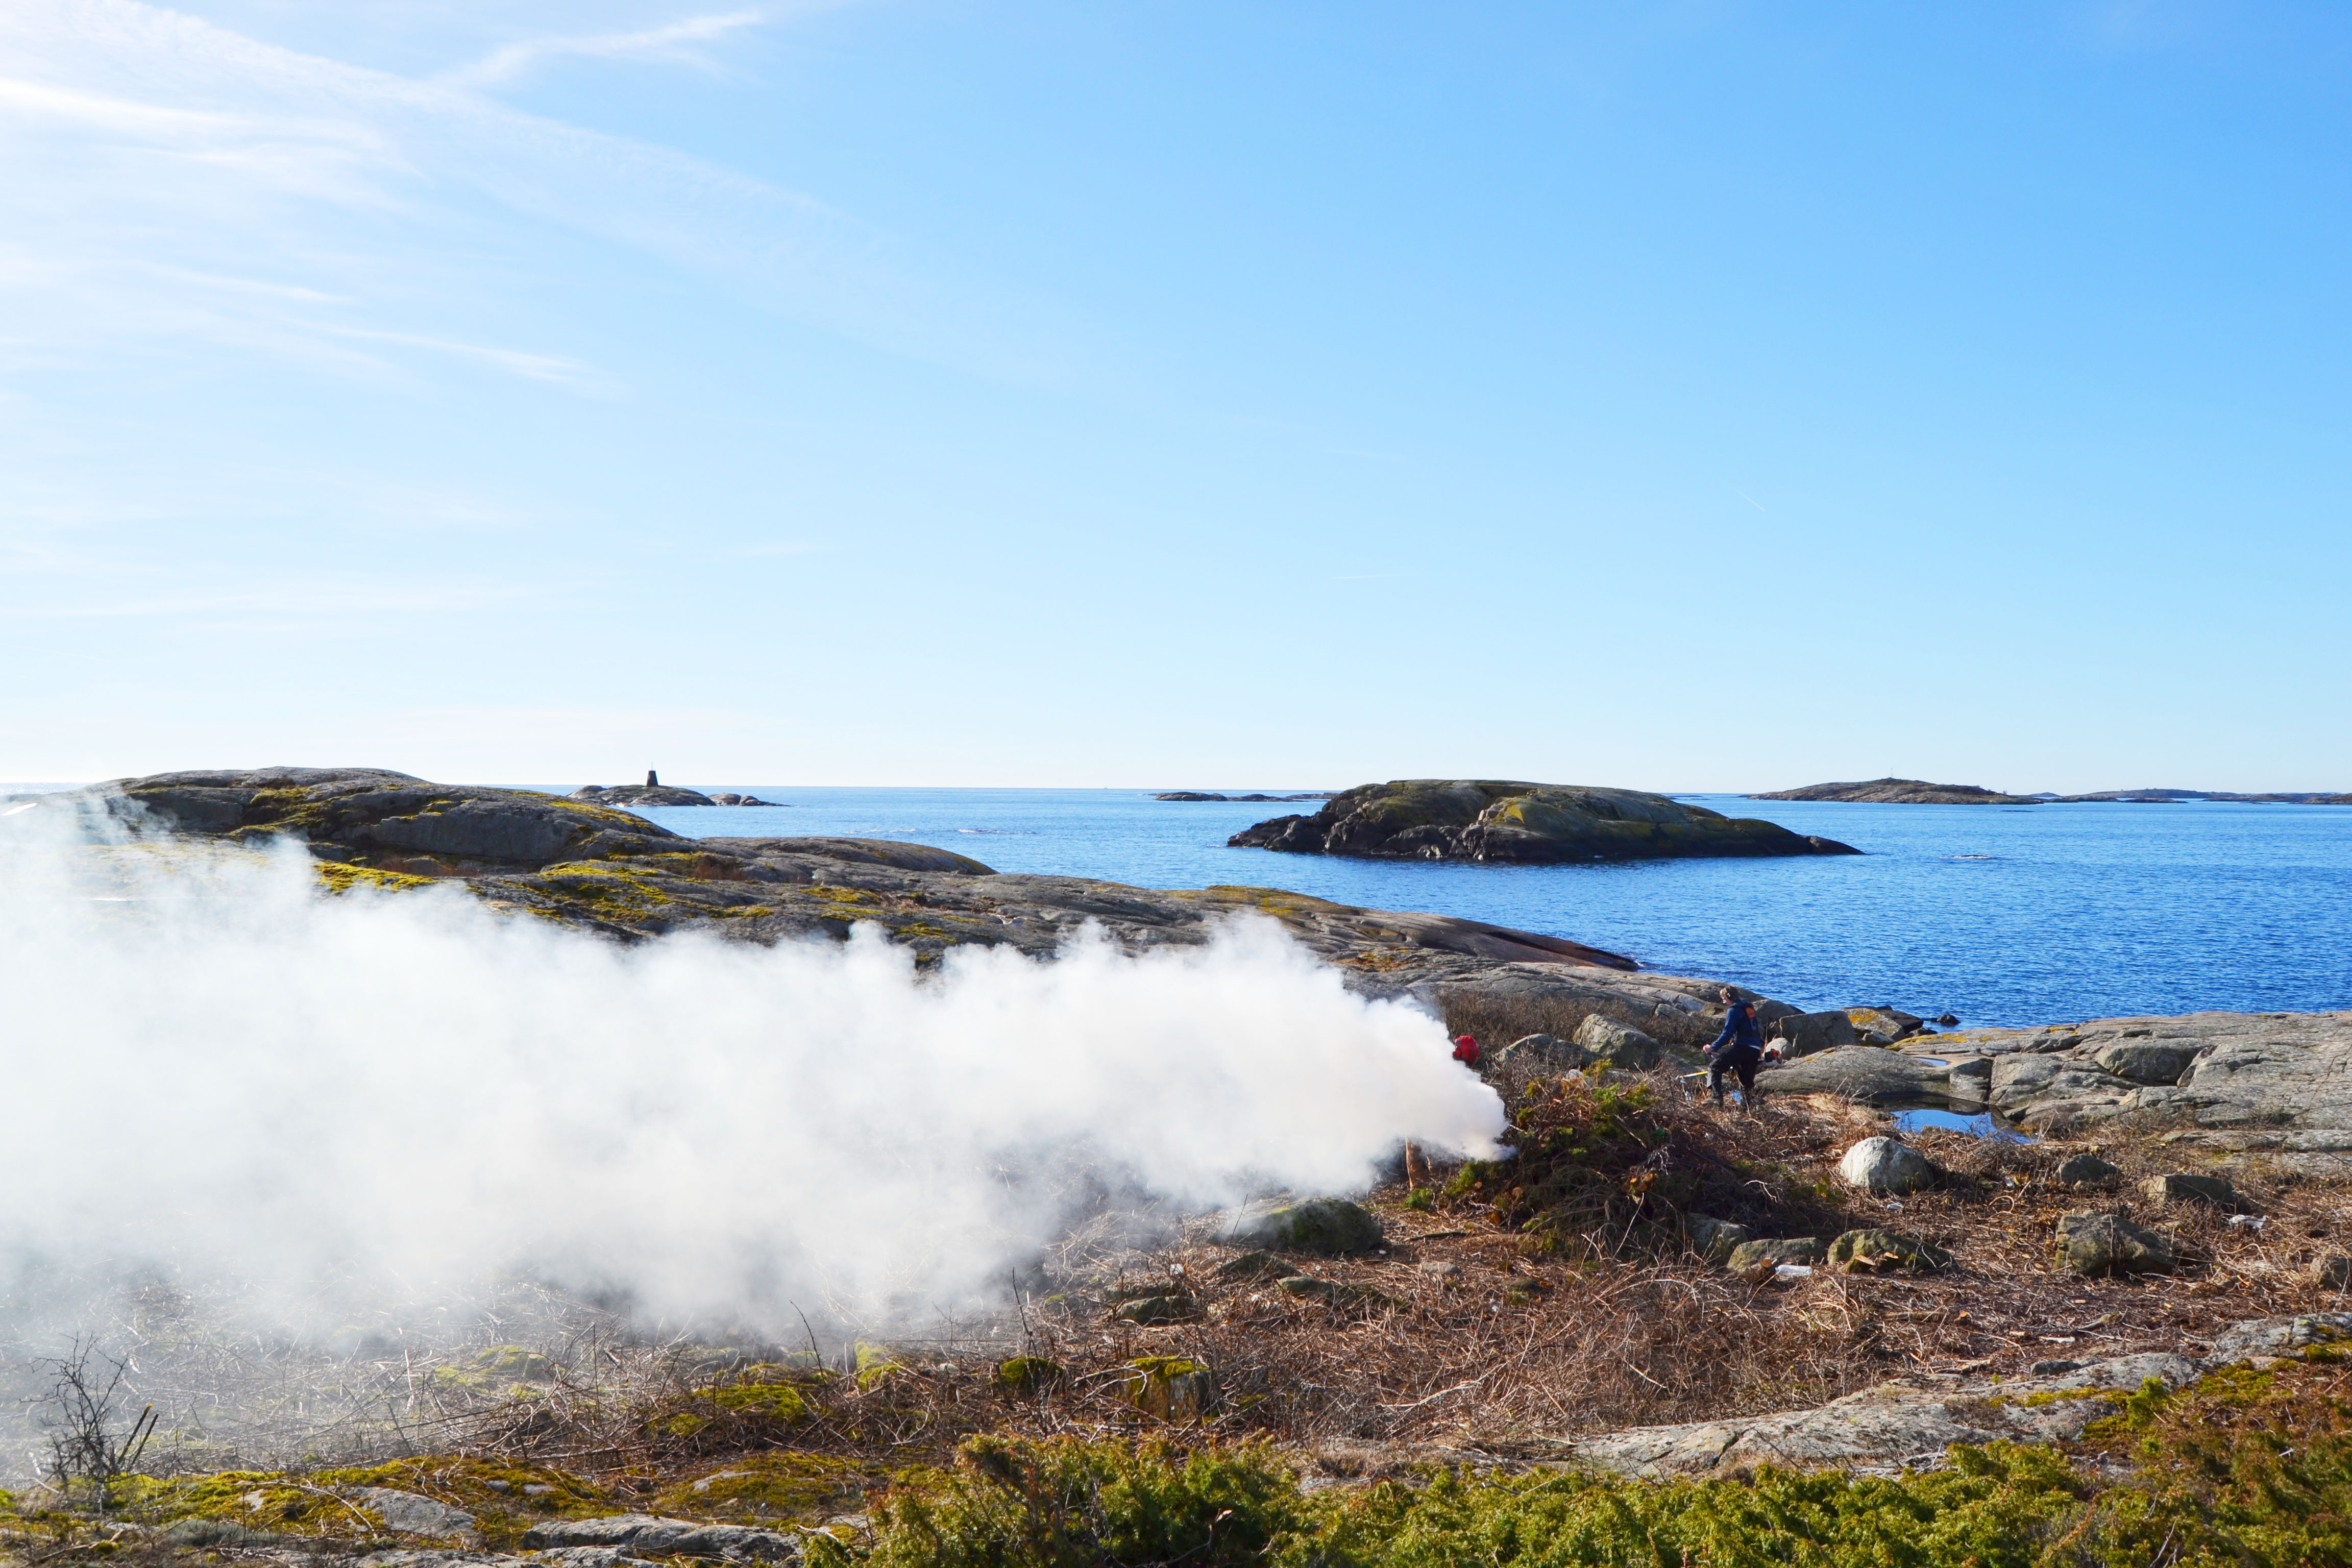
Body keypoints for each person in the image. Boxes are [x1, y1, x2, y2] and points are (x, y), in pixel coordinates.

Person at [1704, 987, 1765, 1108]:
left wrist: (1712, 1048)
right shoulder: (1749, 1008)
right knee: (1746, 1081)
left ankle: (1716, 1099)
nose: (1724, 1002)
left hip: (1743, 1047)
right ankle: (1748, 1106)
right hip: (1755, 1049)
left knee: (1715, 1067)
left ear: (1730, 997)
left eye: (1724, 999)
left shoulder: (1734, 1010)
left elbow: (1727, 1034)